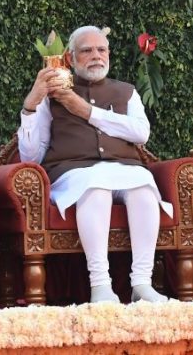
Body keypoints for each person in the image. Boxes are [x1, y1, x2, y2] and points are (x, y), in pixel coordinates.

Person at [18, 25, 171, 304]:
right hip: (73, 173)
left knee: (145, 189)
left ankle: (142, 284)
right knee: (96, 186)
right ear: (71, 58)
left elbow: (141, 133)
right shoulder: (51, 94)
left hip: (124, 169)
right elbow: (30, 156)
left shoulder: (126, 92)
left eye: (101, 50)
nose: (96, 56)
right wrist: (30, 105)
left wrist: (85, 111)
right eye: (86, 51)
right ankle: (100, 285)